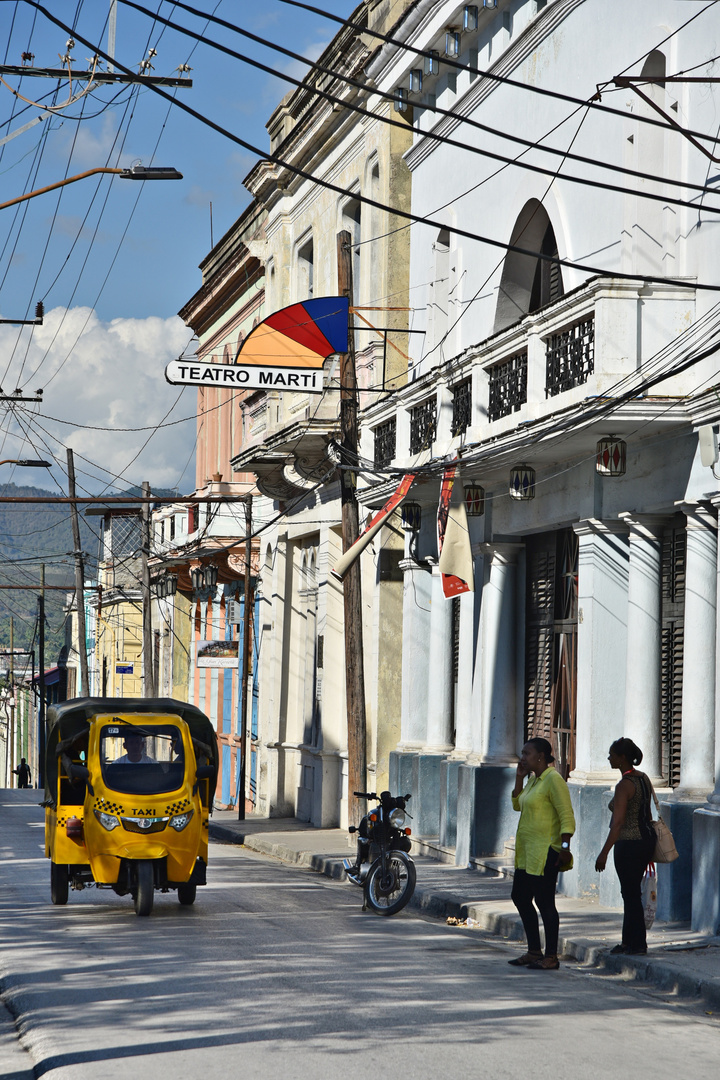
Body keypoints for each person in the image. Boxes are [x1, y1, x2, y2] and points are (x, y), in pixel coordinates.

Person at [508, 737, 576, 971]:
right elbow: (517, 804)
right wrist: (519, 777)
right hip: (527, 853)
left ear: (540, 757)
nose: (522, 757)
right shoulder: (534, 781)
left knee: (545, 902)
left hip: (546, 851)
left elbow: (566, 815)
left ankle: (551, 956)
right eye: (522, 753)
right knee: (520, 896)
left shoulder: (553, 780)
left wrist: (565, 849)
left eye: (526, 754)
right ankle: (533, 950)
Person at [595, 737, 655, 955]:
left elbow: (618, 823)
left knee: (630, 895)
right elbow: (647, 814)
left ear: (621, 758)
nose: (609, 758)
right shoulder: (643, 779)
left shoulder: (624, 786)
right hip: (646, 841)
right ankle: (628, 942)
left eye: (611, 754)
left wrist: (603, 853)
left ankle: (637, 943)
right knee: (632, 893)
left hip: (628, 844)